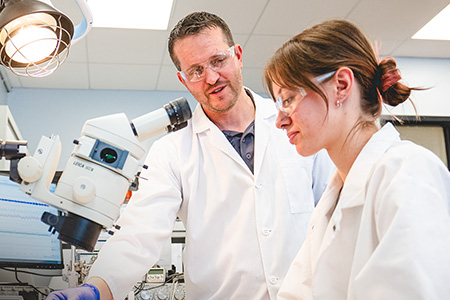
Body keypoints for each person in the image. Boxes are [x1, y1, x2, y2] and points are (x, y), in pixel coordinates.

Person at [46, 12, 334, 300]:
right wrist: (95, 289)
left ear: (238, 56)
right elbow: (139, 234)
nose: (211, 77)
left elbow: (334, 211)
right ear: (183, 79)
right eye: (196, 70)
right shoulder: (172, 151)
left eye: (218, 61)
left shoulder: (295, 122)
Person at [263, 19, 450, 300]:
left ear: (341, 85)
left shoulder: (406, 173)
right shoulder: (333, 197)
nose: (279, 120)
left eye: (288, 98)